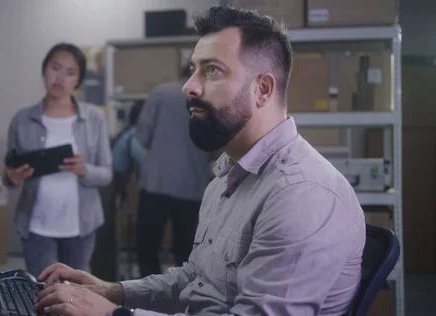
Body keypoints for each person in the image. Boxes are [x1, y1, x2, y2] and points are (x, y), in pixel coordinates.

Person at [32, 6, 366, 316]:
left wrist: (112, 314)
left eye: (212, 71)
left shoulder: (301, 194)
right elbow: (195, 279)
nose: (189, 87)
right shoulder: (226, 176)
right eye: (193, 70)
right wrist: (112, 291)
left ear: (262, 90)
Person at [3, 43, 113, 278]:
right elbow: (10, 172)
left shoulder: (94, 118)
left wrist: (84, 170)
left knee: (73, 296)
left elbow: (106, 173)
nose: (60, 78)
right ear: (44, 71)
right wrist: (11, 178)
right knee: (46, 293)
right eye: (55, 68)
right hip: (36, 225)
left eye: (70, 73)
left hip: (81, 227)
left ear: (78, 80)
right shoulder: (22, 120)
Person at [134, 65, 213, 277]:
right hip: (192, 187)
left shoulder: (161, 93)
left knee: (148, 249)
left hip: (156, 184)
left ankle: (147, 303)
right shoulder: (211, 99)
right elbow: (217, 149)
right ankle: (183, 303)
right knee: (186, 253)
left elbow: (141, 137)